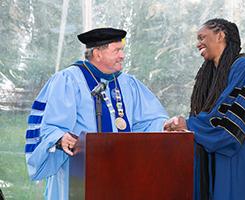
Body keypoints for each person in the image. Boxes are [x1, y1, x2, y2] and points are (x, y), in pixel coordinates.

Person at [24, 27, 168, 199]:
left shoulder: (128, 83)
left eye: (122, 50)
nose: (122, 55)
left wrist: (165, 125)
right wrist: (60, 137)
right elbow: (51, 125)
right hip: (77, 170)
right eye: (117, 50)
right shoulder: (68, 80)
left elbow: (149, 120)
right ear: (98, 54)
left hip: (121, 168)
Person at [164, 18, 245, 200]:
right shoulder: (208, 75)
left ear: (220, 35)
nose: (198, 43)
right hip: (216, 159)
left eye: (202, 37)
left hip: (244, 160)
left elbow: (229, 120)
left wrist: (189, 125)